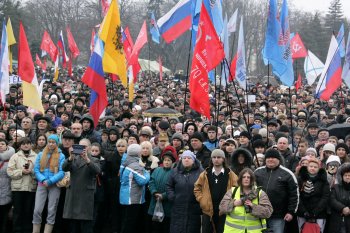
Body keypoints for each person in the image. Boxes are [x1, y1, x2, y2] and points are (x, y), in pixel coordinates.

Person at [254, 149, 299, 233]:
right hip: (259, 214)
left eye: (273, 157)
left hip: (278, 216)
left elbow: (294, 195)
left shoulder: (287, 174)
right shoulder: (257, 172)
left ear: (278, 159)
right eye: (268, 157)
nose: (271, 159)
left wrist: (291, 212)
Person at [194, 149, 238, 233]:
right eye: (214, 157)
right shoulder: (205, 173)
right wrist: (202, 200)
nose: (216, 159)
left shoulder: (230, 174)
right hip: (208, 211)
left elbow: (237, 189)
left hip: (224, 211)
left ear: (223, 159)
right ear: (211, 159)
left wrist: (231, 202)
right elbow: (197, 188)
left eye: (219, 157)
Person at [62, 138, 101, 233]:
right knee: (73, 224)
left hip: (86, 195)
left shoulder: (94, 159)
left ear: (89, 148)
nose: (82, 149)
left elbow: (97, 171)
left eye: (84, 147)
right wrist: (70, 157)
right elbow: (64, 168)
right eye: (79, 146)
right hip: (73, 194)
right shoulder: (73, 159)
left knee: (86, 225)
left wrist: (87, 160)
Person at [219, 168, 273, 233]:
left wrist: (253, 206)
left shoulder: (260, 193)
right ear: (240, 179)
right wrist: (234, 203)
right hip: (233, 231)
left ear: (252, 179)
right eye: (244, 177)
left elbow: (268, 213)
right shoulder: (232, 191)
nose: (246, 179)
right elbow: (221, 208)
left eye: (248, 177)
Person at [32, 134, 65, 233]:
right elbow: (36, 170)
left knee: (51, 210)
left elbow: (62, 171)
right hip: (42, 184)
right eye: (49, 142)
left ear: (56, 143)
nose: (51, 144)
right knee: (37, 210)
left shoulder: (61, 155)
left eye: (53, 142)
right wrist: (43, 180)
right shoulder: (41, 154)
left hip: (54, 185)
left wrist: (51, 181)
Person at [167, 150, 203, 233]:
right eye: (184, 158)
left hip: (194, 207)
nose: (186, 160)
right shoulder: (175, 171)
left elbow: (204, 188)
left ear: (193, 160)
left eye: (189, 158)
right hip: (178, 207)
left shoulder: (201, 172)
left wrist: (200, 200)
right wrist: (172, 196)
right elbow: (169, 185)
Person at [7, 137, 36, 233]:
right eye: (23, 143)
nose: (26, 145)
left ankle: (27, 230)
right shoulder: (15, 156)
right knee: (18, 212)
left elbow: (40, 172)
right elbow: (10, 172)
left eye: (28, 143)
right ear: (20, 145)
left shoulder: (36, 156)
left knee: (28, 212)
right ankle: (17, 230)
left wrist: (31, 171)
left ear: (31, 144)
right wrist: (21, 171)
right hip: (17, 189)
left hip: (31, 188)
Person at [119, 144, 150, 233]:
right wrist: (146, 172)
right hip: (132, 199)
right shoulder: (135, 165)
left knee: (125, 221)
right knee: (129, 223)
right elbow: (143, 181)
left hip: (125, 197)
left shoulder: (125, 162)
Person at [296, 157, 329, 232]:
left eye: (315, 167)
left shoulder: (323, 180)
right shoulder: (300, 179)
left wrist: (315, 212)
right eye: (311, 166)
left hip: (319, 214)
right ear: (307, 167)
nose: (313, 168)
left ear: (319, 168)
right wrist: (304, 211)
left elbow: (325, 197)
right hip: (302, 213)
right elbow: (297, 196)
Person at [148, 149, 176, 233]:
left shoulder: (174, 173)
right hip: (154, 202)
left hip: (167, 206)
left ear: (172, 162)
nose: (166, 162)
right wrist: (154, 192)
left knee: (165, 227)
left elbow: (174, 188)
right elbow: (151, 182)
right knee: (155, 227)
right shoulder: (157, 170)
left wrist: (163, 196)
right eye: (165, 160)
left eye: (169, 160)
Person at [329, 163, 350, 232]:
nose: (347, 177)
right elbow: (332, 200)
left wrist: (348, 209)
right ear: (342, 176)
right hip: (337, 219)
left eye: (349, 175)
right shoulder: (335, 187)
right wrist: (342, 208)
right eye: (345, 175)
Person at [0, 138, 15, 233]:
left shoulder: (12, 158)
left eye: (2, 144)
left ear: (6, 146)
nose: (0, 145)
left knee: (3, 218)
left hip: (7, 190)